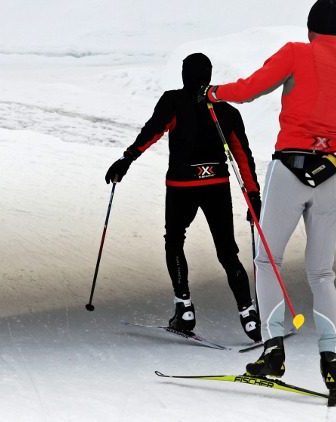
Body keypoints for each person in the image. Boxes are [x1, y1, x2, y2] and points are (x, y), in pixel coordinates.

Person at [199, 0, 336, 389]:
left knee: (268, 260)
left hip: (290, 169)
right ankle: (331, 359)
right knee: (321, 272)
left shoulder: (295, 53)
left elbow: (250, 90)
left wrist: (214, 92)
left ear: (310, 28)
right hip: (332, 173)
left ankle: (273, 351)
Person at [105, 53, 262, 343]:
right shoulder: (226, 112)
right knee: (227, 252)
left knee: (175, 240)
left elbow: (151, 132)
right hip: (216, 184)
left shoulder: (173, 101)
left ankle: (185, 309)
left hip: (182, 185)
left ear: (184, 75)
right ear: (209, 76)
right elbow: (243, 156)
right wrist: (254, 196)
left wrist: (126, 160)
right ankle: (249, 316)